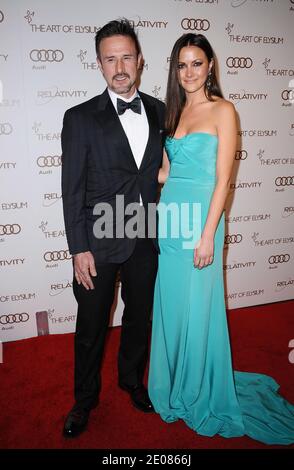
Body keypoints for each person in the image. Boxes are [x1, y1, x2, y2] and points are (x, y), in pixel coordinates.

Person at [148, 33, 294, 445]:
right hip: (172, 218)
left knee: (199, 307)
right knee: (173, 305)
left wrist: (209, 234)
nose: (189, 72)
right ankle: (173, 381)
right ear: (175, 70)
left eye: (197, 63)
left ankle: (197, 390)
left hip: (202, 222)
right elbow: (165, 173)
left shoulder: (224, 111)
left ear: (210, 66)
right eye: (182, 64)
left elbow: (224, 179)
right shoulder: (172, 114)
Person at [61, 19, 165, 438]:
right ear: (100, 65)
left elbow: (164, 173)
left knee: (140, 316)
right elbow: (71, 189)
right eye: (110, 59)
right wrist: (78, 247)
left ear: (140, 61)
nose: (119, 66)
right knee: (91, 326)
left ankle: (131, 381)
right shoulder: (80, 117)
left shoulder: (160, 110)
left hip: (147, 233)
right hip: (98, 240)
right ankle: (84, 400)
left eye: (126, 56)